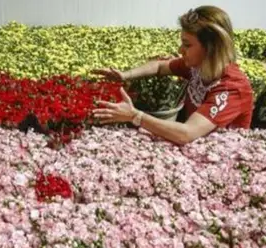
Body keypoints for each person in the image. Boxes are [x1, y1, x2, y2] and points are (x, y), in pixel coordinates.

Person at [91, 5, 254, 145]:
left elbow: (186, 133)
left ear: (212, 48)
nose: (180, 51)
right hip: (197, 151)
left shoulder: (232, 88)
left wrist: (135, 116)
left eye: (187, 45)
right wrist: (125, 76)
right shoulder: (198, 66)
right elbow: (160, 66)